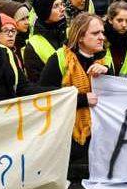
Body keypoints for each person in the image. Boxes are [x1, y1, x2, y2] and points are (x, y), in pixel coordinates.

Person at [38, 13, 110, 155]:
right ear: (80, 37)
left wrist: (107, 74)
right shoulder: (60, 59)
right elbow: (45, 96)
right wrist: (82, 100)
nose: (102, 37)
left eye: (102, 32)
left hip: (99, 138)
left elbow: (114, 97)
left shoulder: (104, 60)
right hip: (66, 138)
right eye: (95, 33)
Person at [23, 0, 67, 82]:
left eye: (62, 4)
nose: (62, 9)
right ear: (45, 11)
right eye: (56, 6)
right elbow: (37, 81)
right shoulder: (33, 46)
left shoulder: (71, 32)